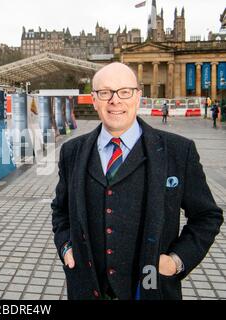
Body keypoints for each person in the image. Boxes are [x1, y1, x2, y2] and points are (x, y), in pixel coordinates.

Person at [51, 62, 223, 300]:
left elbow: (207, 216)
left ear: (138, 96)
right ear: (94, 99)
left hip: (151, 290)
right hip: (86, 290)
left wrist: (176, 261)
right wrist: (66, 247)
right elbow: (60, 211)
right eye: (105, 93)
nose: (115, 100)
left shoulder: (178, 151)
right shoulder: (72, 152)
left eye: (124, 91)